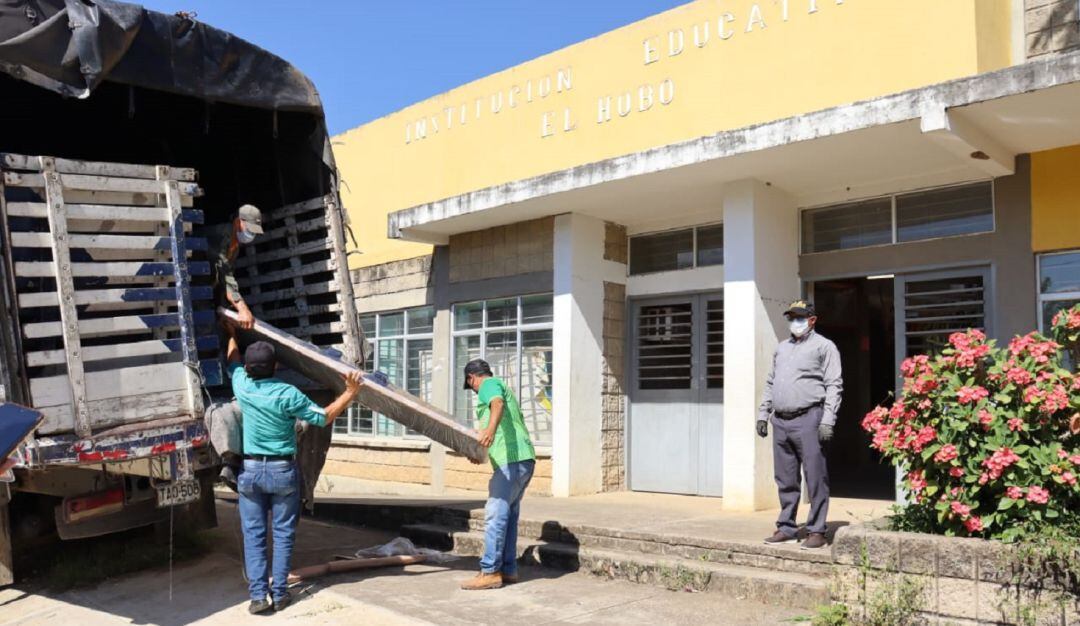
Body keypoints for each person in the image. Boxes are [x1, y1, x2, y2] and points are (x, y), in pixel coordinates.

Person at [222, 317, 363, 614]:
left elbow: (232, 360)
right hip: (282, 472)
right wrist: (349, 393)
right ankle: (281, 593)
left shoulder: (243, 385)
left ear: (249, 369)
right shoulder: (288, 394)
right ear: (276, 367)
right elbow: (322, 417)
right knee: (284, 533)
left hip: (250, 472)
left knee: (254, 534)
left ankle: (259, 597)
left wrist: (232, 334)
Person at [756, 300, 843, 550]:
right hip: (781, 421)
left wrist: (828, 420)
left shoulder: (825, 347)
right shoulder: (781, 348)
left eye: (800, 317)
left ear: (812, 319)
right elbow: (771, 382)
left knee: (815, 476)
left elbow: (834, 385)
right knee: (785, 478)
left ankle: (816, 530)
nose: (795, 322)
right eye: (792, 317)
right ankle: (786, 527)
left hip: (809, 418)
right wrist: (763, 414)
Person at [459, 359, 536, 590]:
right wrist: (480, 450)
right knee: (508, 516)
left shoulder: (489, 385)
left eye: (470, 385)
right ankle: (508, 569)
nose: (473, 390)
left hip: (510, 462)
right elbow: (494, 427)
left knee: (494, 514)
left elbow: (497, 403)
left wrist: (489, 432)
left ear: (472, 377)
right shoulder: (500, 386)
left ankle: (490, 571)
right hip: (523, 460)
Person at [207, 203, 263, 331]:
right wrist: (242, 308)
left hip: (208, 288)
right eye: (250, 229)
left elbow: (224, 281)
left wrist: (224, 308)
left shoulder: (235, 246)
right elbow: (226, 277)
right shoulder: (220, 238)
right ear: (238, 222)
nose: (252, 235)